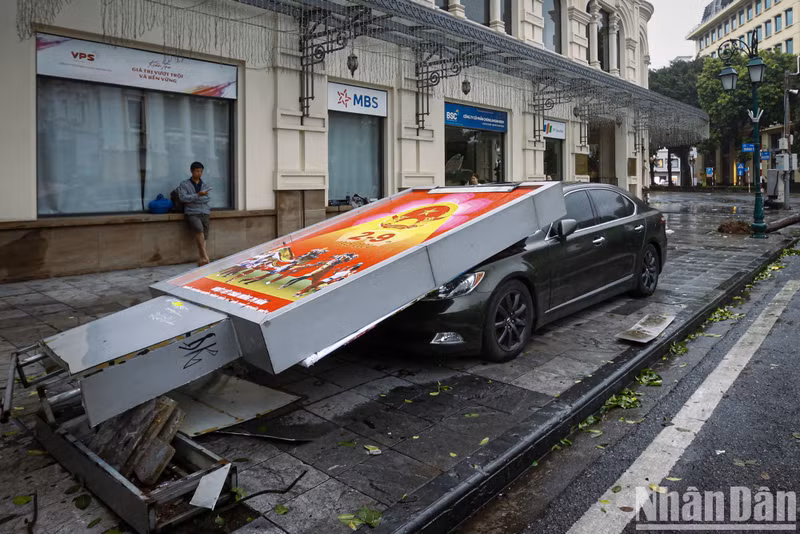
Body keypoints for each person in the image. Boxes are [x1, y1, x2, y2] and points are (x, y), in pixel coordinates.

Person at [178, 162, 211, 266]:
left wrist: (192, 198)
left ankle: (202, 260)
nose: (199, 173)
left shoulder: (204, 184)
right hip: (192, 212)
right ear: (192, 171)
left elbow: (207, 198)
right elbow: (183, 198)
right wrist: (198, 195)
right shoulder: (184, 184)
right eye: (197, 171)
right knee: (199, 229)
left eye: (201, 171)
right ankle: (205, 256)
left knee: (204, 235)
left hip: (205, 211)